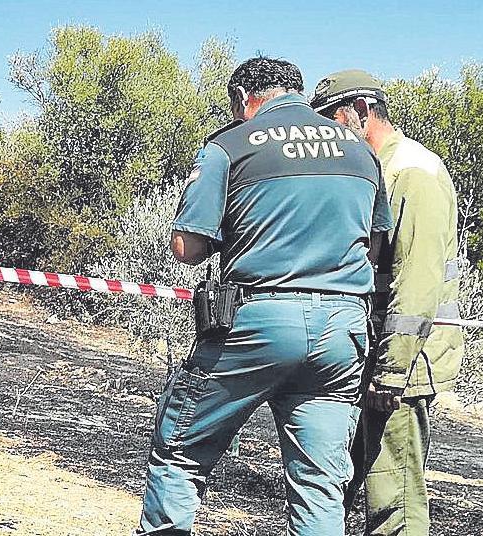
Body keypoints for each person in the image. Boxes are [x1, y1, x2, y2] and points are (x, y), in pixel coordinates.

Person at [137, 57, 393, 536]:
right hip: (342, 331)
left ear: (241, 99)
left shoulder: (229, 146)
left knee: (180, 453)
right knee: (319, 485)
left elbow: (187, 248)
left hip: (257, 321)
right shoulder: (362, 155)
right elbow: (375, 249)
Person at [310, 69, 465, 536]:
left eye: (330, 121)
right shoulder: (376, 169)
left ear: (359, 111)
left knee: (392, 502)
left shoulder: (412, 172)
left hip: (401, 367)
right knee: (341, 488)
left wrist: (392, 371)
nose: (327, 137)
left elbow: (416, 283)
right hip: (370, 356)